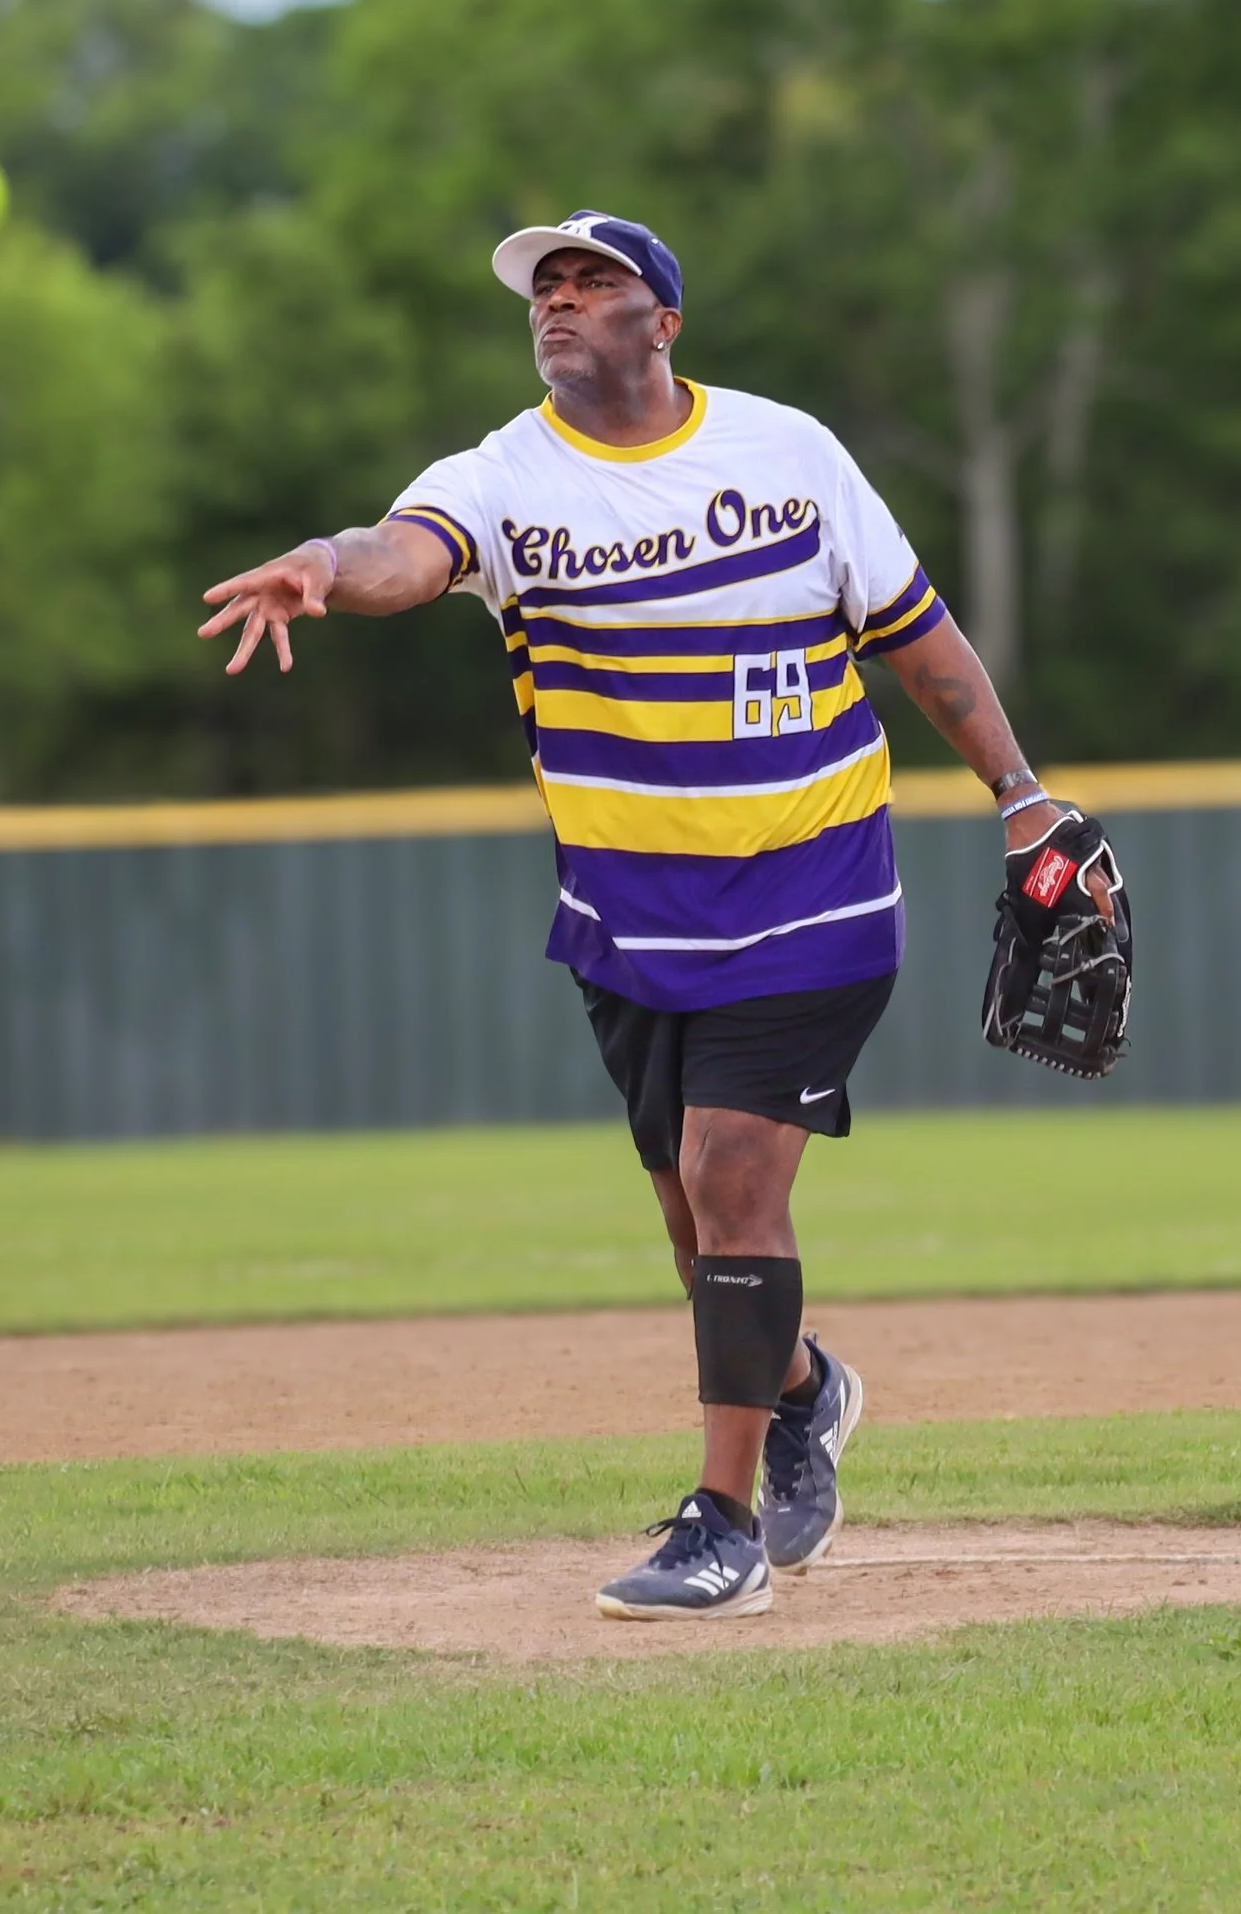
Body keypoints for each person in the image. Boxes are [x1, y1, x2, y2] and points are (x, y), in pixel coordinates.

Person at [200, 209, 1096, 1622]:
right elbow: (405, 550)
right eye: (544, 285)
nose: (558, 301)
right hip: (629, 909)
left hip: (814, 878)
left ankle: (722, 1520)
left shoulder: (787, 452)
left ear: (662, 320)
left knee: (736, 1178)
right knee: (694, 1222)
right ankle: (805, 1385)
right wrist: (324, 559)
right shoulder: (504, 475)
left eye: (591, 280)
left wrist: (1022, 792)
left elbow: (918, 635)